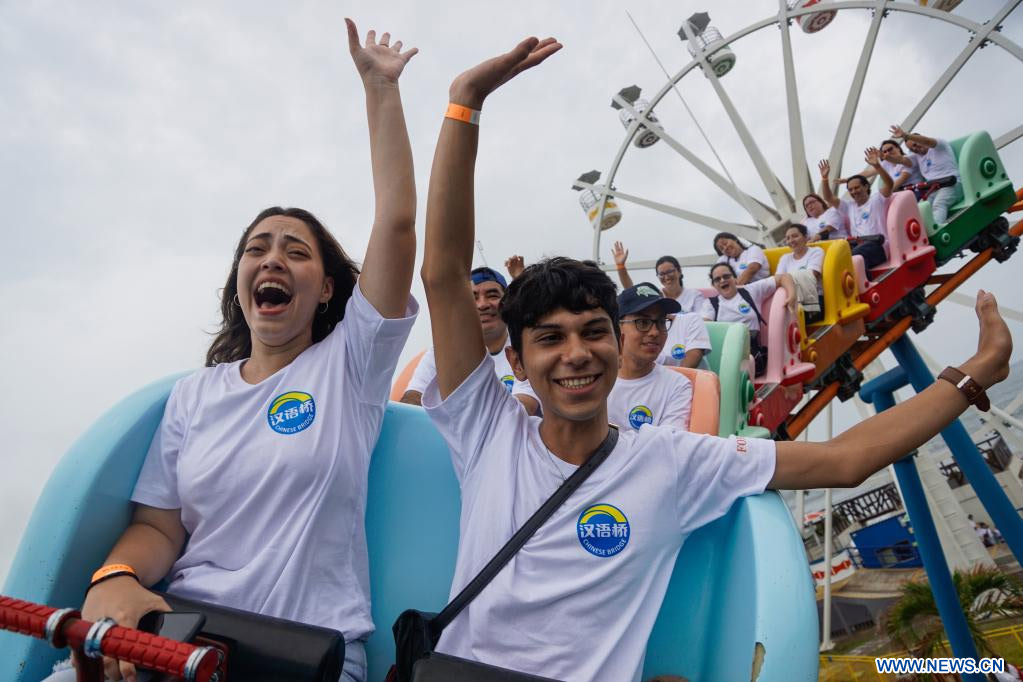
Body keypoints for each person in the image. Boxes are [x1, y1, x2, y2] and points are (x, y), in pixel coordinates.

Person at [419, 34, 1011, 681]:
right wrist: (463, 105)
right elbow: (441, 272)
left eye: (593, 332)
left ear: (616, 345)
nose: (576, 355)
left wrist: (973, 372)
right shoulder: (486, 432)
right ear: (518, 358)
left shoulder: (673, 461)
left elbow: (845, 459)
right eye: (550, 339)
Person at [51, 21, 419, 682]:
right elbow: (161, 529)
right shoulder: (194, 394)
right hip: (183, 637)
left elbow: (395, 224)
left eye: (295, 250)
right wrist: (117, 574)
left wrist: (379, 91)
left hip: (303, 652)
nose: (272, 257)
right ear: (240, 280)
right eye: (257, 247)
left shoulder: (350, 366)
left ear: (328, 289)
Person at [401, 266, 539, 415]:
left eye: (492, 295)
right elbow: (412, 400)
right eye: (473, 298)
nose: (482, 305)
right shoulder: (441, 353)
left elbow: (523, 409)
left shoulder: (527, 347)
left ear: (508, 304)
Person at [607, 283, 693, 431]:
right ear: (617, 327)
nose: (655, 332)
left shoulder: (677, 386)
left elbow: (668, 445)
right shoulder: (597, 379)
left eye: (660, 322)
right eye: (643, 322)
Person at [700, 262, 797, 376]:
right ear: (714, 285)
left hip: (751, 350)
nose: (722, 280)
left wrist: (792, 296)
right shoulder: (710, 304)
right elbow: (706, 326)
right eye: (717, 279)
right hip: (727, 353)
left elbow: (784, 277)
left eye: (726, 276)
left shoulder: (751, 291)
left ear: (735, 278)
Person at [819, 149, 893, 270]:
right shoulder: (848, 207)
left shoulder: (876, 199)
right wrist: (825, 179)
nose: (854, 192)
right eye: (850, 189)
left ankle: (864, 287)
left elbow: (889, 184)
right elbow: (828, 197)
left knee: (853, 258)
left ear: (866, 186)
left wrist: (877, 166)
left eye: (857, 187)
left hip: (878, 245)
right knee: (831, 260)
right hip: (857, 245)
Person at [891, 124, 964, 224]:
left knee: (938, 204)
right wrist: (884, 157)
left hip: (952, 184)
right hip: (934, 189)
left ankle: (937, 232)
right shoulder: (917, 156)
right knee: (920, 208)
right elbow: (901, 159)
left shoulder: (938, 145)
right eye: (912, 149)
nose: (915, 149)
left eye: (915, 145)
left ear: (920, 139)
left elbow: (927, 141)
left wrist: (905, 135)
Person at [612, 242, 705, 313]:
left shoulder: (694, 295)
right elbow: (632, 290)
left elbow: (702, 322)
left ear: (679, 271)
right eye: (662, 274)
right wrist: (621, 266)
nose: (667, 277)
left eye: (670, 272)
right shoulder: (655, 295)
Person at [776, 224, 825, 323]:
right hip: (790, 299)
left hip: (813, 300)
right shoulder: (785, 258)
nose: (791, 241)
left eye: (795, 236)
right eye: (788, 238)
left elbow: (811, 276)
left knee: (785, 321)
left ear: (806, 237)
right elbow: (777, 279)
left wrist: (786, 280)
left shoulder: (816, 252)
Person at [836, 138, 923, 193]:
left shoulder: (908, 159)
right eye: (884, 152)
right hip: (899, 193)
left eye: (890, 149)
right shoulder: (886, 163)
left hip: (914, 191)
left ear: (898, 148)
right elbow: (868, 173)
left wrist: (881, 196)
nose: (888, 153)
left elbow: (899, 182)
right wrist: (848, 179)